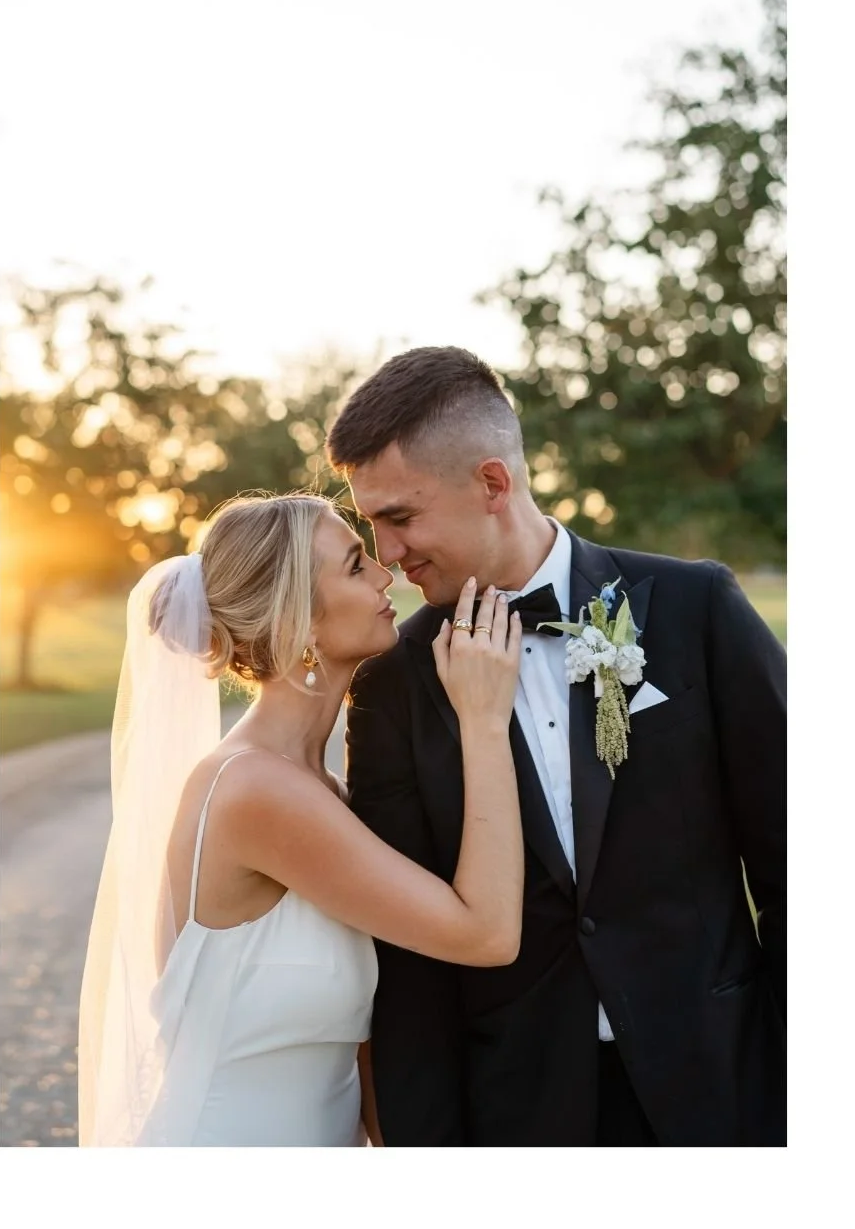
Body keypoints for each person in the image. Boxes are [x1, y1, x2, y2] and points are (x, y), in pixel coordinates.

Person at [327, 346, 786, 1147]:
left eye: (400, 517)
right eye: (371, 525)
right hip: (520, 1113)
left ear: (493, 484)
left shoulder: (694, 610)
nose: (388, 553)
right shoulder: (392, 683)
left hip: (725, 1086)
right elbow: (410, 962)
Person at [77, 491, 523, 1146]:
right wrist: (484, 721)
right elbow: (486, 935)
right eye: (353, 566)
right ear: (300, 622)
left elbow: (364, 1042)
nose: (385, 575)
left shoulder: (324, 793)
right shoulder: (254, 791)